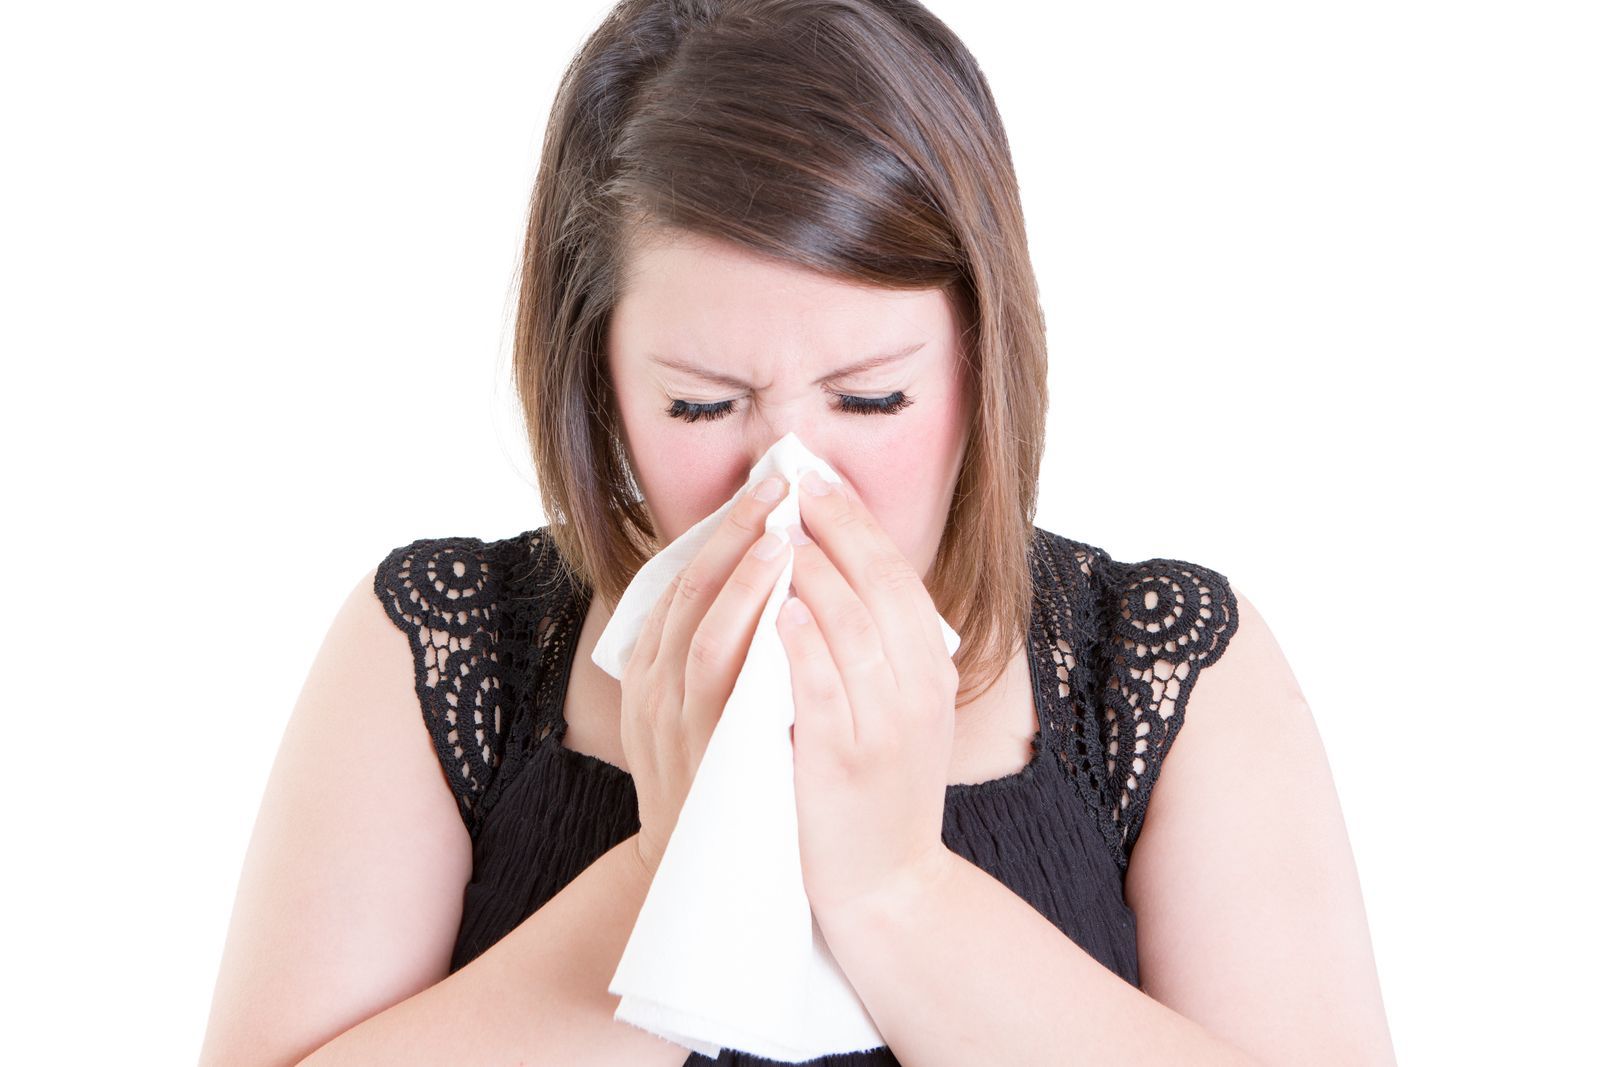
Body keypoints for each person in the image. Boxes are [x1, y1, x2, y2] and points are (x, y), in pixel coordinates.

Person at [199, 2, 1397, 1064]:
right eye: (701, 406)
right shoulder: (438, 647)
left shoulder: (1163, 668)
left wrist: (894, 887)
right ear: (597, 377)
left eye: (871, 398)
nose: (788, 475)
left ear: (981, 361)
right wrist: (677, 870)